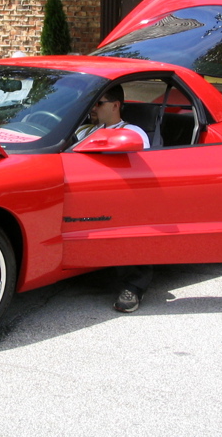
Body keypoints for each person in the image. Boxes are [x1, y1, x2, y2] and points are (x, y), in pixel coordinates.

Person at [76, 85, 152, 313]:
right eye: (92, 104)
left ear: (116, 105)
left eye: (99, 103)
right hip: (82, 191)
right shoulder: (84, 131)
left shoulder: (132, 133)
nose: (93, 108)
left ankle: (133, 286)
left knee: (128, 220)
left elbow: (140, 176)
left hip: (120, 195)